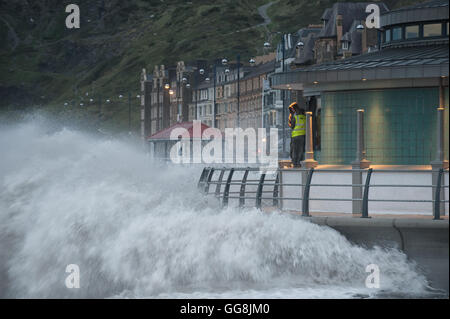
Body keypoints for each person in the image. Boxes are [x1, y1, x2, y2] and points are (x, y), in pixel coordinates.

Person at [288, 102, 306, 168]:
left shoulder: (296, 117)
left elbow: (292, 126)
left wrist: (290, 122)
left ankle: (294, 163)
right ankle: (298, 162)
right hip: (302, 136)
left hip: (295, 136)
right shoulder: (305, 117)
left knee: (294, 150)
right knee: (300, 149)